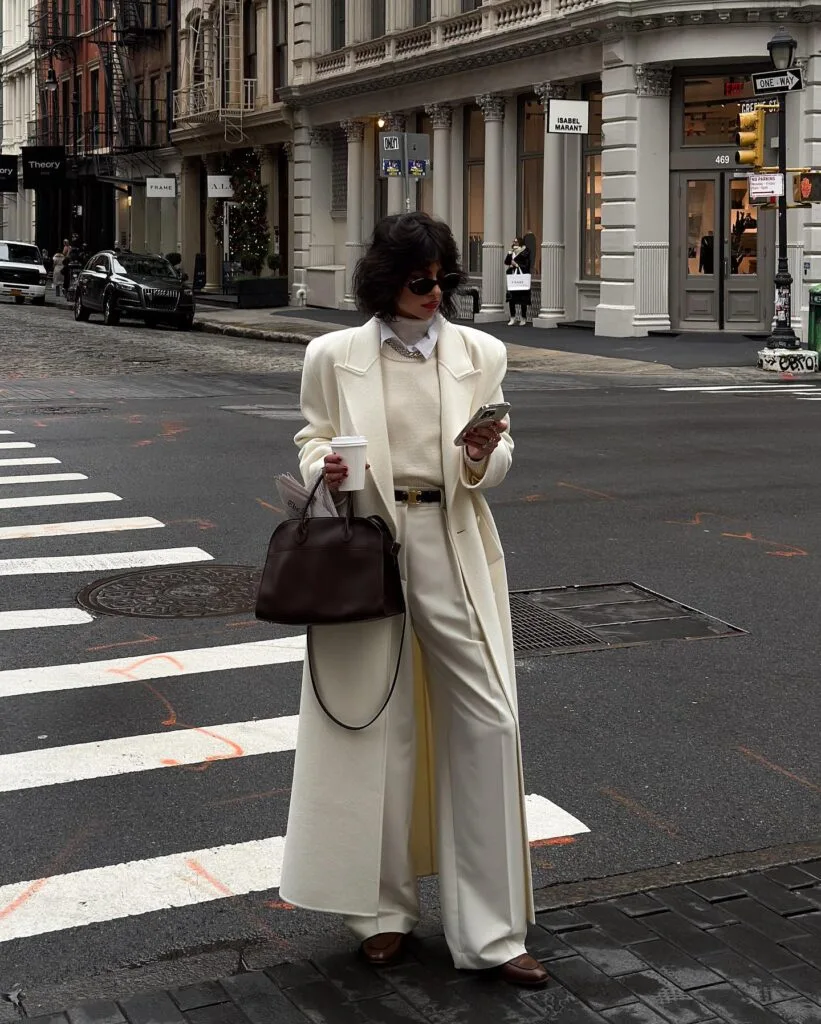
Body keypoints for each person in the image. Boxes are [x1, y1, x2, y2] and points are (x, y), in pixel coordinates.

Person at [279, 212, 547, 988]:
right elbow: (312, 435)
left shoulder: (479, 353)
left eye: (442, 279)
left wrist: (480, 457)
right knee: (379, 732)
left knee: (488, 720)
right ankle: (381, 914)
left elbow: (497, 454)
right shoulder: (333, 355)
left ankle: (492, 934)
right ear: (384, 281)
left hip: (452, 540)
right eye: (417, 280)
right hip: (368, 544)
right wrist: (326, 467)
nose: (433, 294)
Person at [504, 236, 531, 325]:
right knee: (511, 298)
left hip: (521, 277)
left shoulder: (525, 251)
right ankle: (513, 317)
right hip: (512, 277)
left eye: (516, 241)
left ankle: (523, 317)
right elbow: (506, 262)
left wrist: (517, 265)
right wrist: (509, 254)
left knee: (523, 299)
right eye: (514, 241)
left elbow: (527, 265)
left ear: (520, 242)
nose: (514, 243)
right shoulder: (512, 251)